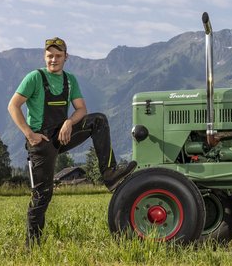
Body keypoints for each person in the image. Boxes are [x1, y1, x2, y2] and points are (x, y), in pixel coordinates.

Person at [8, 36, 136, 246]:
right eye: (50, 56)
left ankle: (109, 173)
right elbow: (13, 106)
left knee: (98, 121)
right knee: (42, 196)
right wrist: (29, 134)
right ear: (44, 56)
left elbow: (82, 109)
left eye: (58, 56)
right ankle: (32, 246)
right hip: (41, 141)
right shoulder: (34, 78)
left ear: (66, 57)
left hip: (62, 134)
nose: (53, 60)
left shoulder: (70, 80)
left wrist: (69, 122)